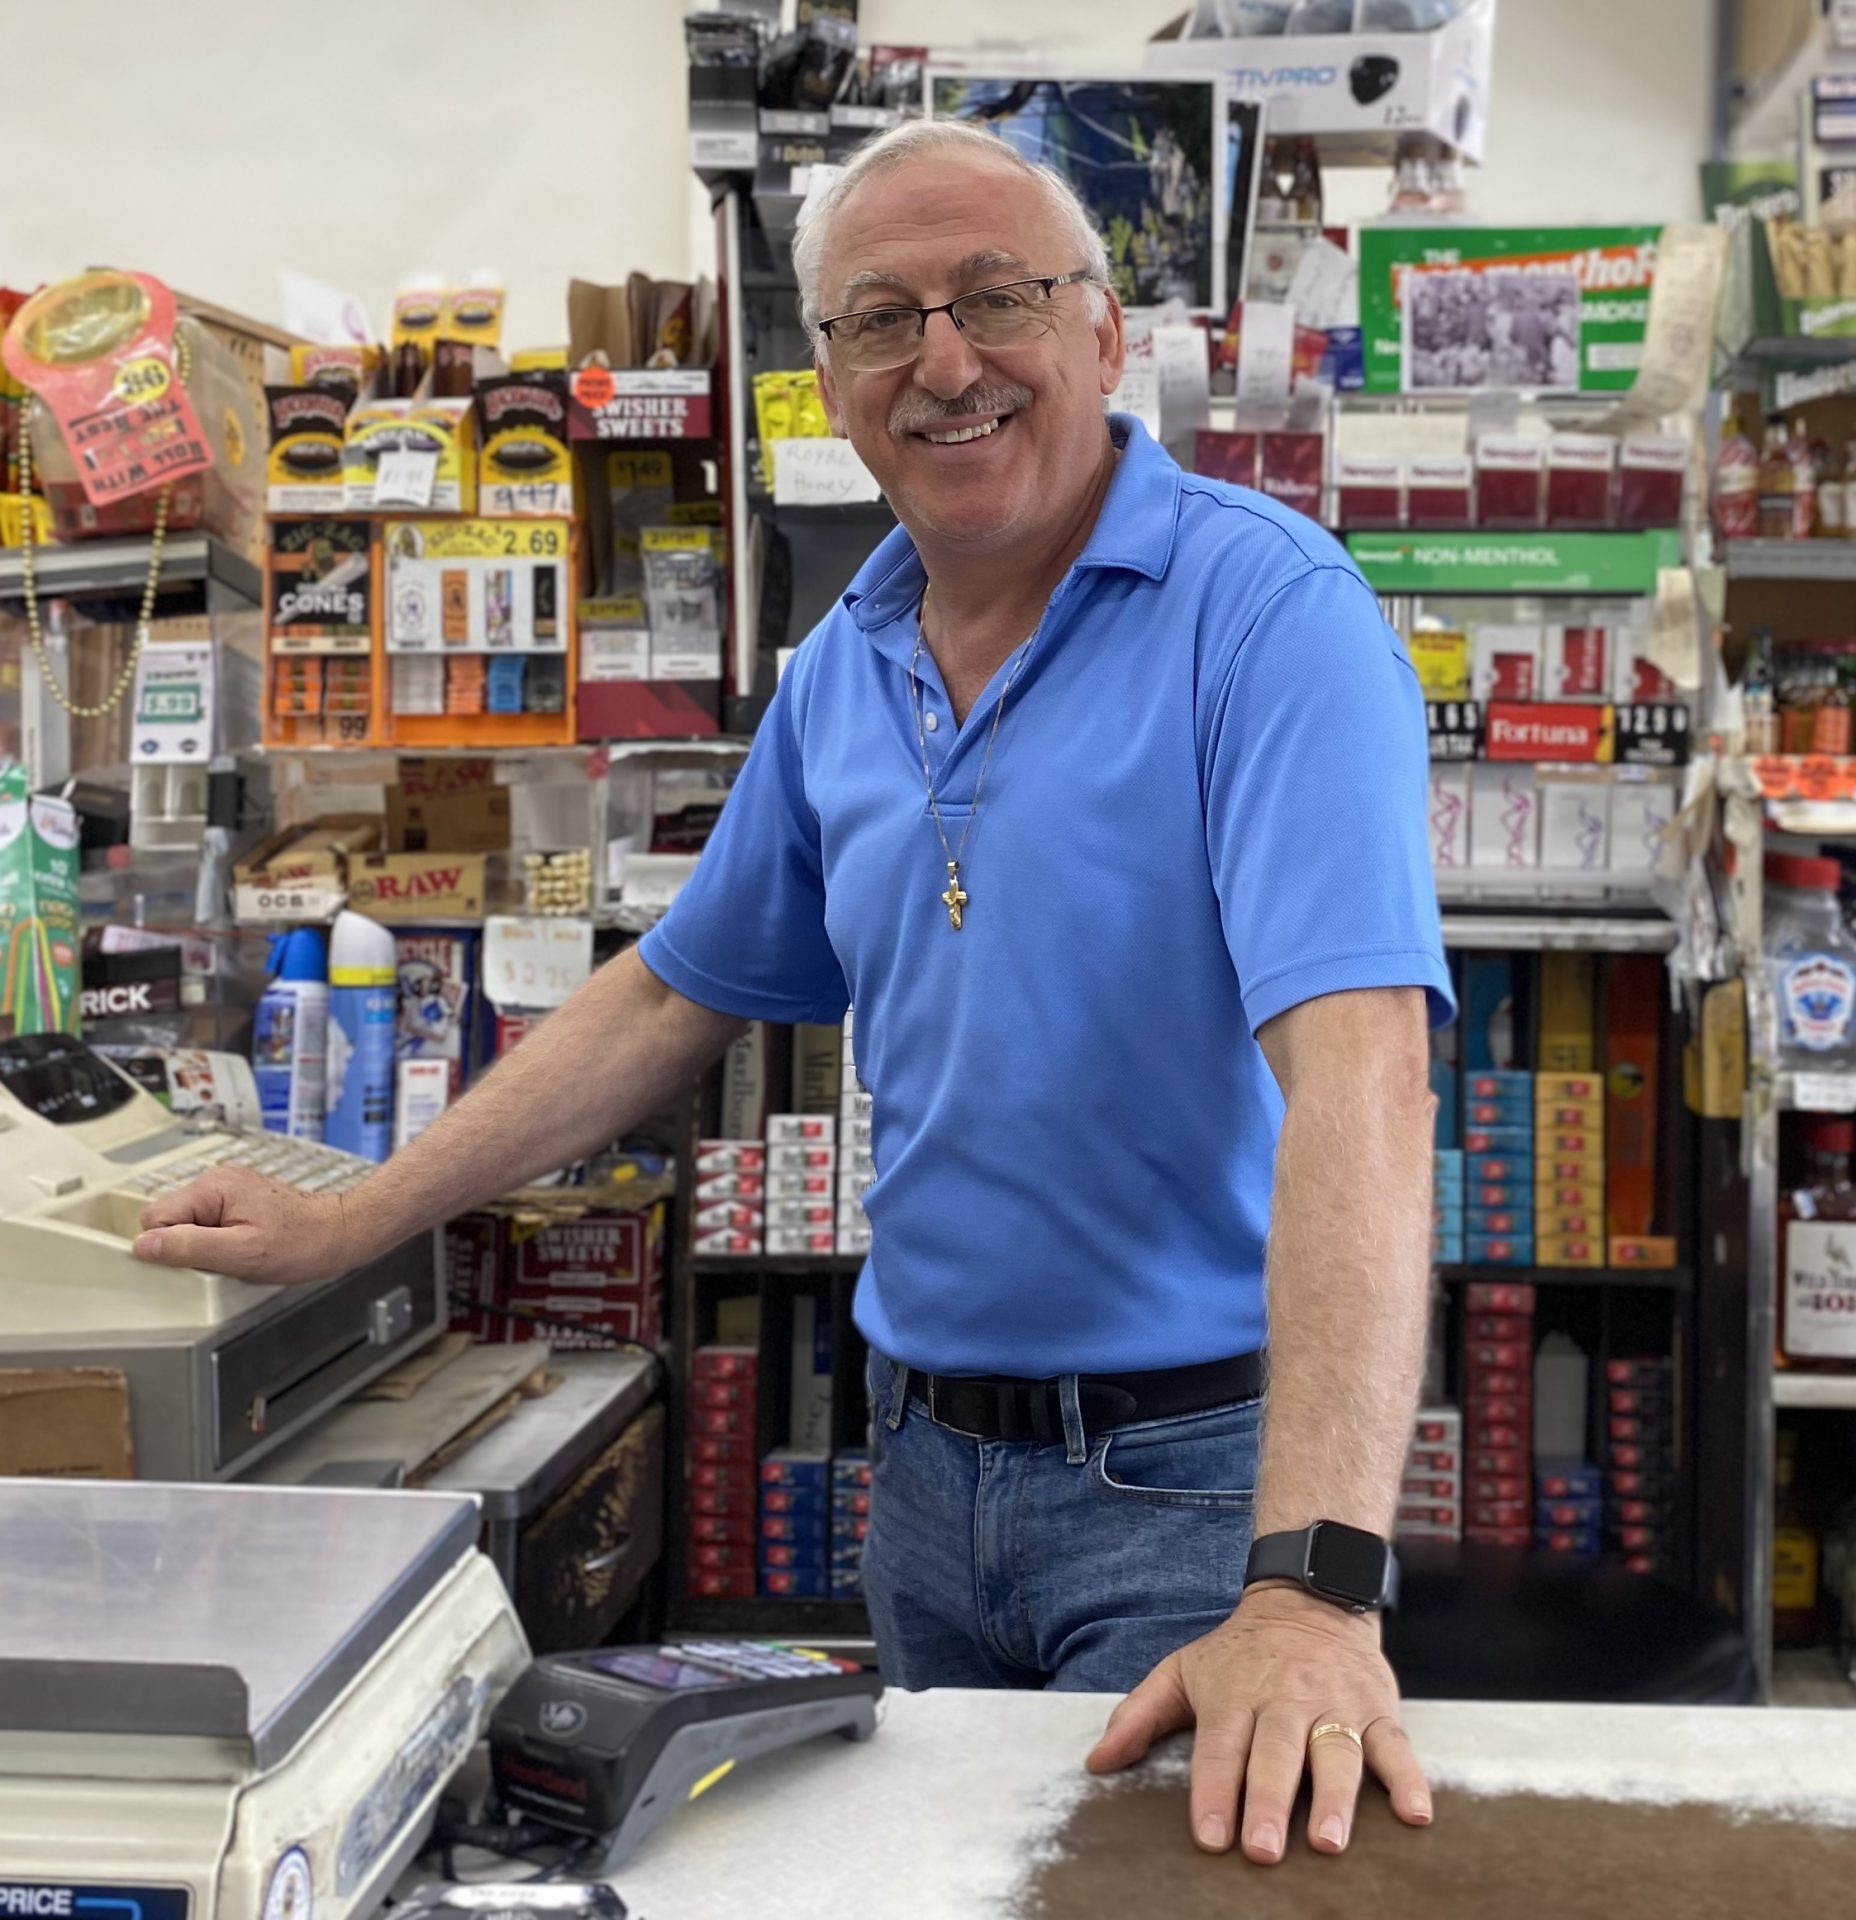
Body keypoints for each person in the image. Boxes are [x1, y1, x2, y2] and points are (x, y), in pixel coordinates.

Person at [134, 119, 1449, 1868]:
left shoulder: (1268, 617)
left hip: (1197, 1487)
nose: (948, 361)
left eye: (999, 298)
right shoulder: (848, 664)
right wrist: (356, 1220)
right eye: (885, 318)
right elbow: (674, 995)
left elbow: (1366, 1084)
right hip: (920, 1475)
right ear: (829, 377)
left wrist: (1313, 1585)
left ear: (1108, 335)